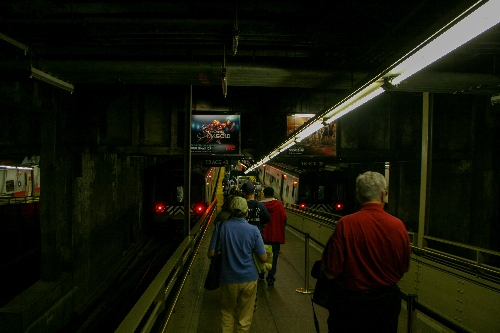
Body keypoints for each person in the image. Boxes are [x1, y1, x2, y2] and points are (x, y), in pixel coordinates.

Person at [321, 171, 410, 333]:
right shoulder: (398, 226)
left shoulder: (345, 224)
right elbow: (404, 267)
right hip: (386, 304)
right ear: (383, 195)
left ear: (358, 195)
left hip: (350, 304)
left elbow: (331, 272)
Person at [207, 197, 267, 333]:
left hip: (227, 277)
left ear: (230, 211)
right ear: (246, 212)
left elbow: (211, 253)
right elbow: (263, 258)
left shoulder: (221, 227)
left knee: (227, 312)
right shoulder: (253, 230)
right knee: (245, 315)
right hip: (249, 278)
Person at [260, 186, 287, 287]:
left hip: (262, 236)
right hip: (275, 237)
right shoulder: (279, 204)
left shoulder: (260, 205)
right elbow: (284, 217)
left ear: (264, 194)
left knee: (261, 255)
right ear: (273, 193)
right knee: (274, 258)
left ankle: (261, 273)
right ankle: (270, 278)